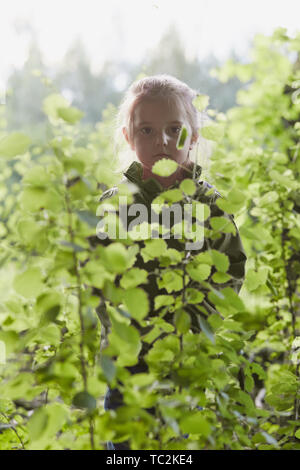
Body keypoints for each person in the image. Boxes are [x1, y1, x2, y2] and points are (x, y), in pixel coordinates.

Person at [89, 75, 247, 450]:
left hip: (185, 359)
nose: (161, 141)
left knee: (179, 446)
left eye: (174, 129)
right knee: (127, 449)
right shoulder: (117, 206)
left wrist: (194, 325)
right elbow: (97, 276)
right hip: (127, 363)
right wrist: (127, 330)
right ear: (129, 138)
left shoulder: (208, 205)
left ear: (193, 136)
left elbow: (231, 272)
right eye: (147, 129)